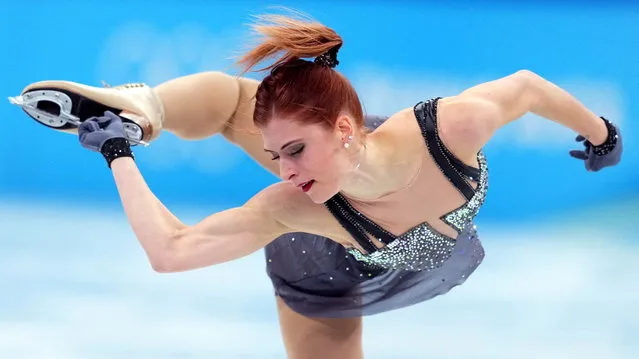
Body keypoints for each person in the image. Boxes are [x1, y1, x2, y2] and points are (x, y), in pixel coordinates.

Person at [11, 13, 623, 359]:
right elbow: (170, 252)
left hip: (388, 187)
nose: (283, 169)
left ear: (347, 128)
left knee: (267, 119)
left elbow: (528, 86)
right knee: (234, 104)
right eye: (275, 156)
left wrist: (601, 134)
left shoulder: (451, 127)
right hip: (321, 266)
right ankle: (143, 111)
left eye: (295, 151)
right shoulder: (293, 205)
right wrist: (117, 151)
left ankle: (155, 113)